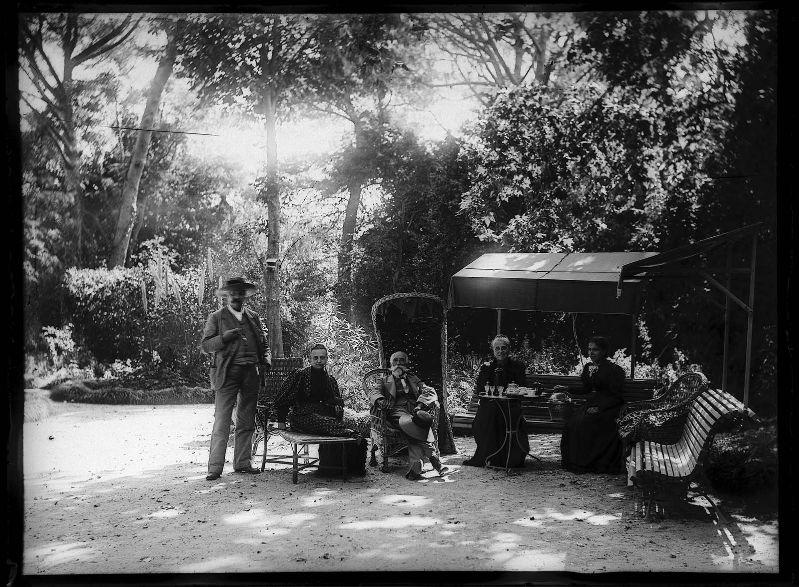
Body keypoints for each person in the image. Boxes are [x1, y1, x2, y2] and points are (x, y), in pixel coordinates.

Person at [201, 276, 271, 481]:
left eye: (240, 293)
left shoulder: (253, 317)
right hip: (227, 373)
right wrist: (224, 338)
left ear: (244, 296)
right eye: (232, 293)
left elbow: (264, 344)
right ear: (226, 296)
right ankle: (214, 468)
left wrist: (266, 360)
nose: (236, 296)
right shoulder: (217, 317)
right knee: (222, 421)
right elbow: (206, 346)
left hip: (251, 374)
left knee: (246, 421)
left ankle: (242, 463)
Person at [368, 351, 449, 481]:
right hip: (397, 412)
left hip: (414, 410)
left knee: (419, 422)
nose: (399, 363)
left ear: (406, 363)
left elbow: (430, 390)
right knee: (414, 425)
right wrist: (380, 400)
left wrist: (420, 405)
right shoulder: (384, 380)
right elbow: (374, 392)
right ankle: (436, 462)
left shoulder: (413, 378)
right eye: (396, 360)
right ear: (390, 363)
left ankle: (415, 471)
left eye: (402, 360)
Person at [560, 335, 626, 474]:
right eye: (589, 349)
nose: (591, 353)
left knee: (586, 422)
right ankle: (574, 461)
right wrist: (567, 389)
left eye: (595, 349)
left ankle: (590, 463)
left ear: (604, 351)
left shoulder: (615, 370)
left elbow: (616, 395)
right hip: (594, 402)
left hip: (611, 406)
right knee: (572, 422)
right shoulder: (589, 367)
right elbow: (587, 389)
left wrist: (599, 408)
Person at [463, 335, 530, 467]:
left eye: (503, 348)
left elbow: (522, 387)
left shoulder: (518, 366)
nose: (500, 351)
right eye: (497, 348)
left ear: (509, 349)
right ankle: (488, 456)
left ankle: (509, 458)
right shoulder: (487, 367)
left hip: (510, 405)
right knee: (482, 421)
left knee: (505, 418)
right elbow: (480, 389)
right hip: (490, 404)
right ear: (493, 351)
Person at [272, 344, 356, 437]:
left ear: (326, 359)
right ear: (310, 359)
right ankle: (348, 433)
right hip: (302, 417)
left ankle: (347, 434)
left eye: (322, 358)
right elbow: (284, 398)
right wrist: (281, 422)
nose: (319, 361)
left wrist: (337, 406)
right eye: (315, 358)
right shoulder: (300, 375)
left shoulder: (330, 380)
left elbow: (335, 401)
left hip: (324, 416)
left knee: (332, 422)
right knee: (322, 423)